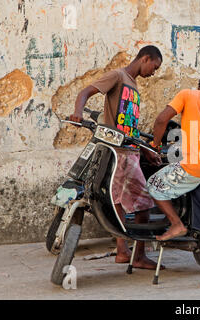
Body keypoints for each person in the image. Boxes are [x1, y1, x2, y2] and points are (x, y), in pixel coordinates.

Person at [69, 45, 164, 270]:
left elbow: (128, 127)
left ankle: (123, 251)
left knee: (119, 201)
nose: (154, 72)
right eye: (155, 66)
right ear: (145, 58)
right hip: (119, 153)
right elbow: (85, 92)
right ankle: (138, 255)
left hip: (129, 151)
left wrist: (144, 150)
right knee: (143, 204)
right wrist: (78, 113)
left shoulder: (133, 83)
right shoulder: (117, 76)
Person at [146, 74, 200, 288]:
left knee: (153, 185)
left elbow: (161, 120)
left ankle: (176, 224)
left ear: (199, 87)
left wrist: (154, 146)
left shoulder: (188, 95)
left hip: (191, 166)